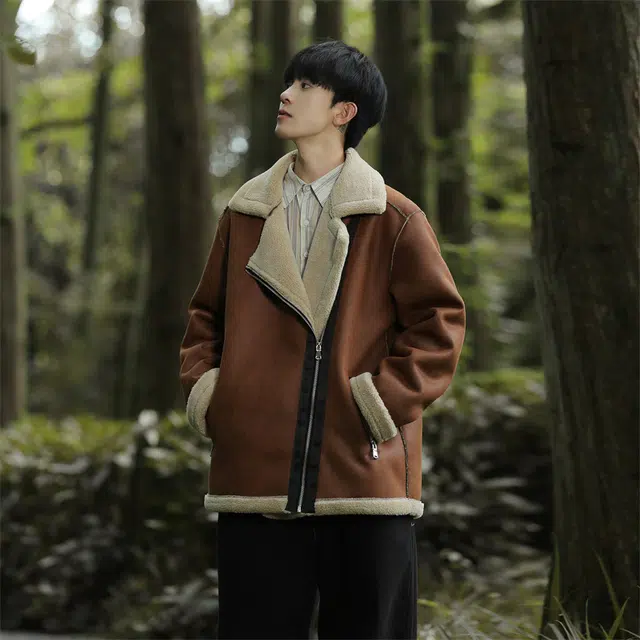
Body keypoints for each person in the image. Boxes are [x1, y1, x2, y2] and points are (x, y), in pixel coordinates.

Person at [179, 39, 466, 640]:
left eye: (306, 85)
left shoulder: (395, 219)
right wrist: (214, 396)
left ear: (344, 111)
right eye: (290, 82)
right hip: (255, 480)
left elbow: (439, 324)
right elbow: (206, 318)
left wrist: (377, 405)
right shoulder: (244, 214)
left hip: (364, 481)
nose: (286, 94)